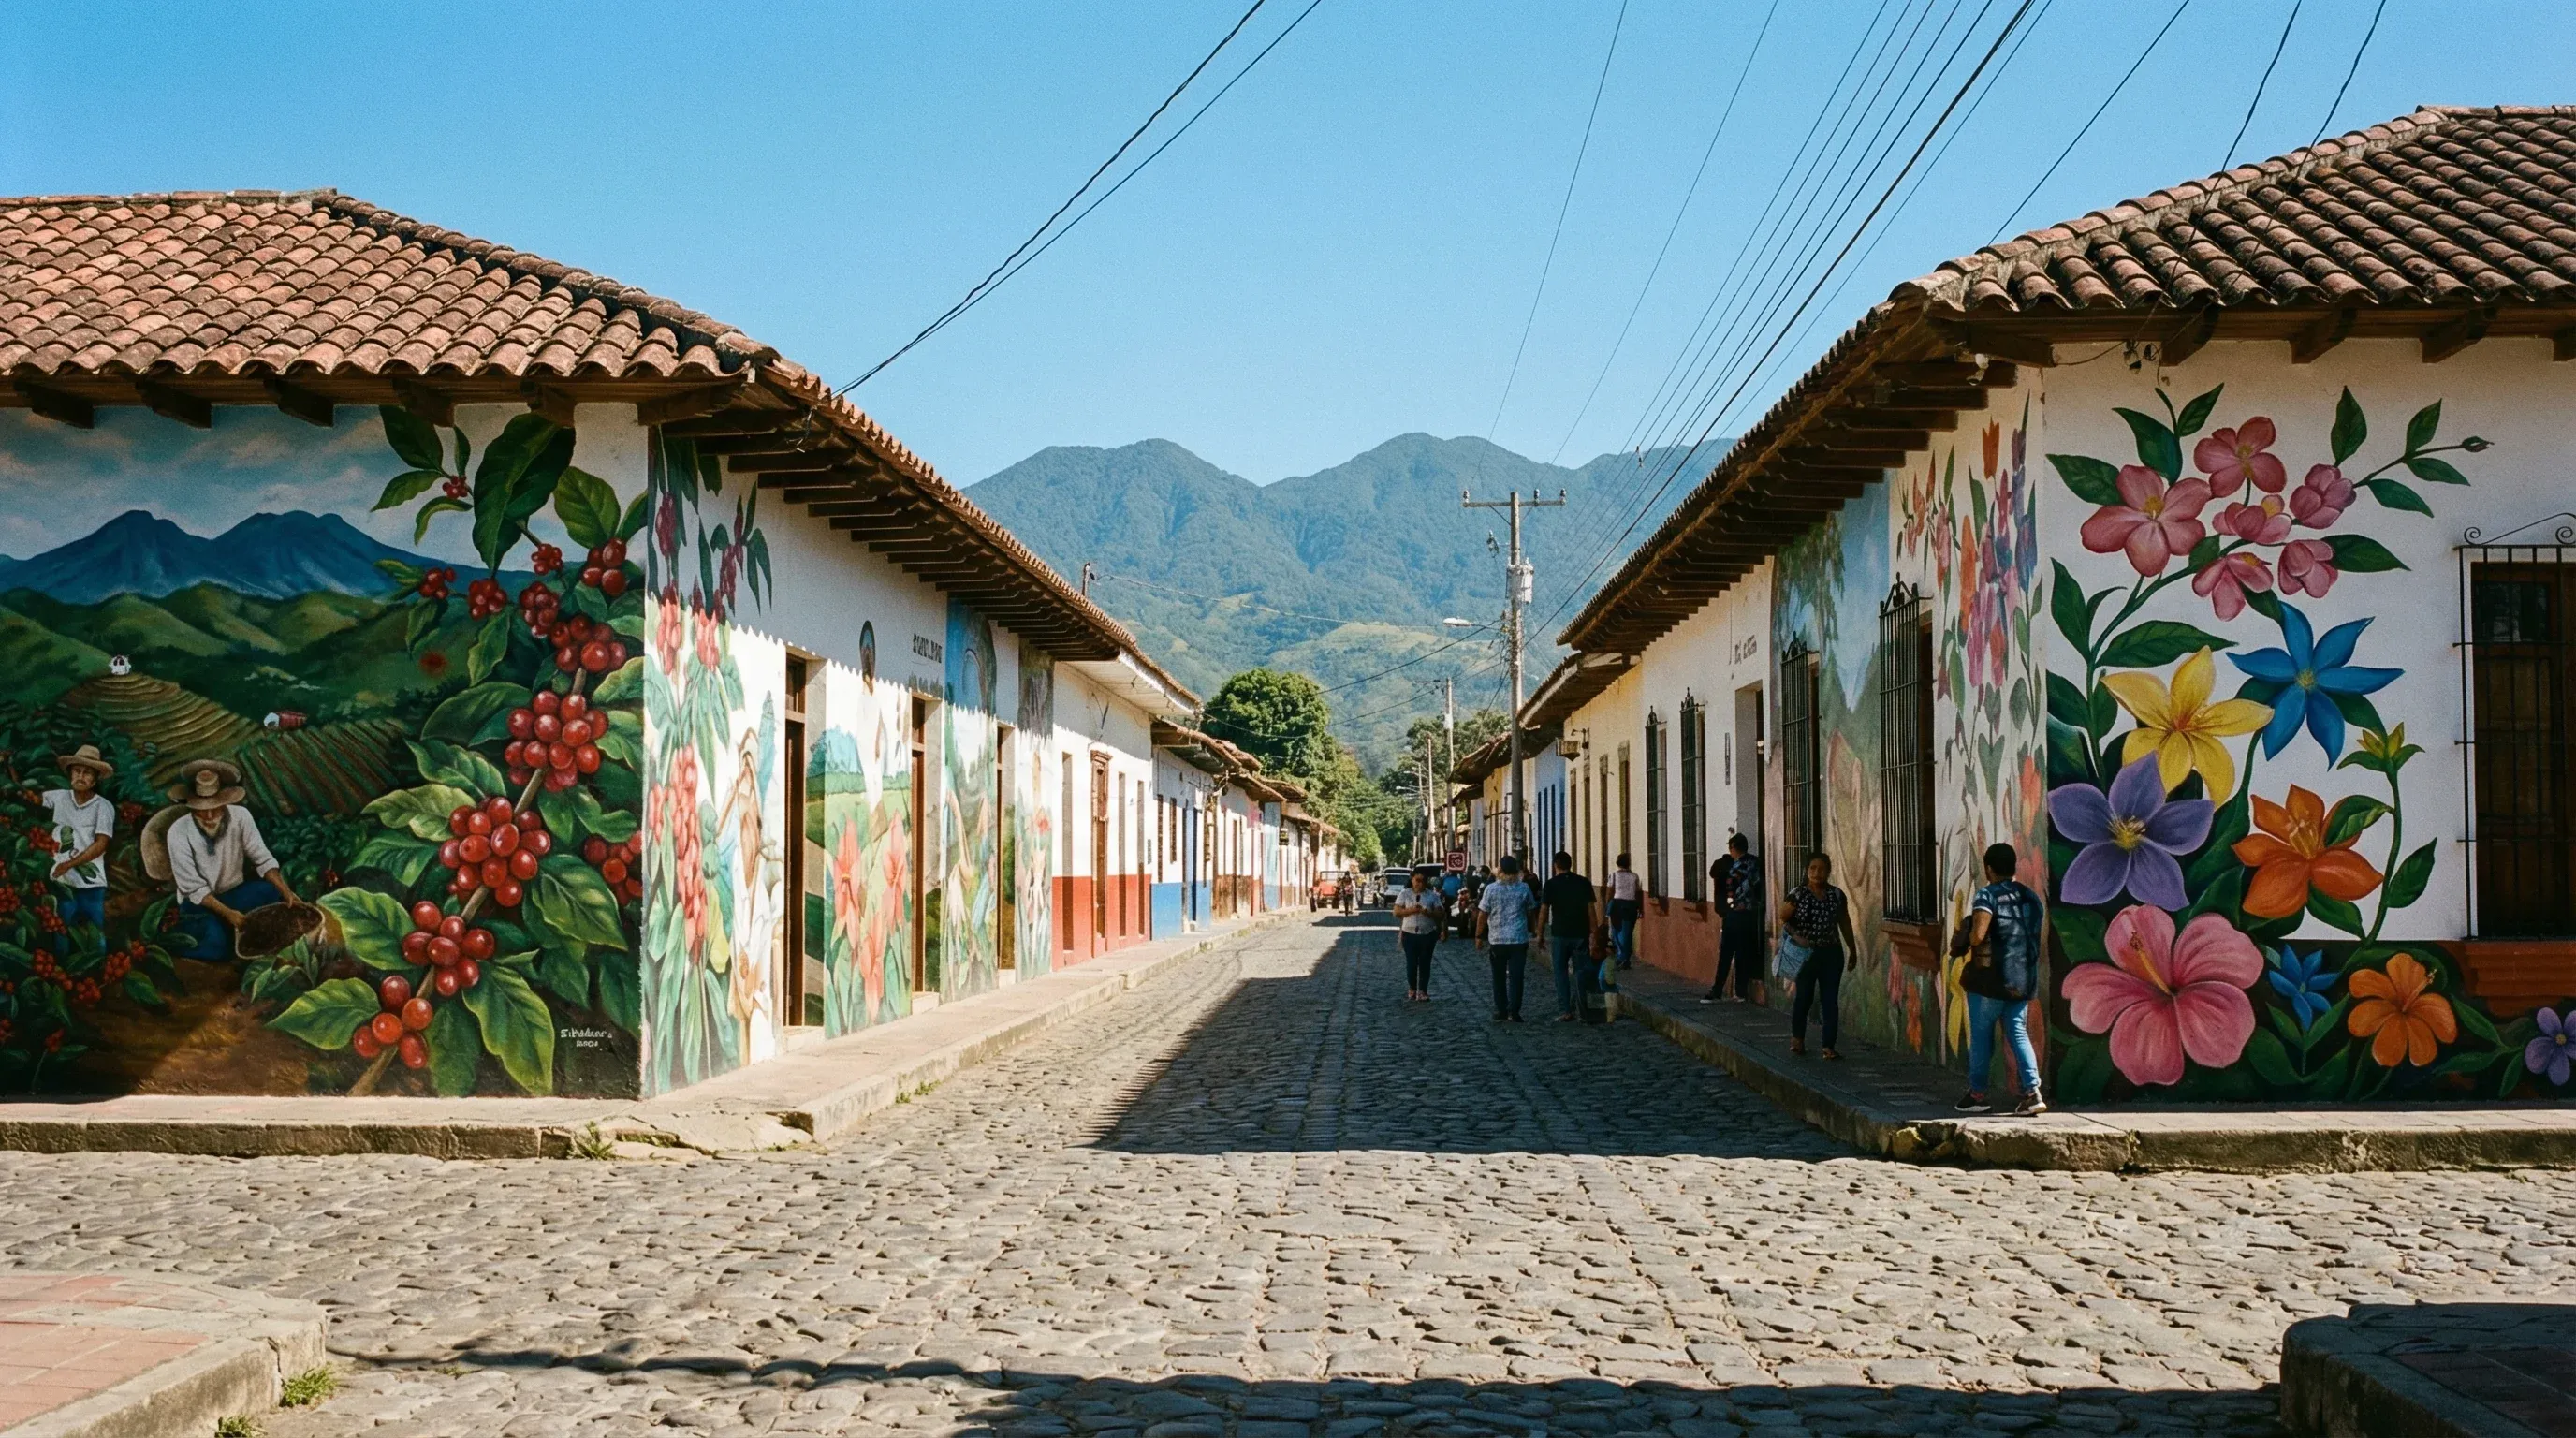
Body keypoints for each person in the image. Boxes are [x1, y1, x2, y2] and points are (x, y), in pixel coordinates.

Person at [152, 760, 298, 962]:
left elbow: (261, 857)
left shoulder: (241, 817)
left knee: (271, 892)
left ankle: (229, 929)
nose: (210, 816)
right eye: (202, 809)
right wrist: (229, 914)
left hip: (235, 893)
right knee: (217, 948)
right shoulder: (178, 832)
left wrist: (285, 890)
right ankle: (179, 938)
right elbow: (194, 888)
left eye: (216, 808)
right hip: (199, 904)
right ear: (191, 806)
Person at [1952, 843, 2049, 1115]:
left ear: (1989, 869)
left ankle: (1977, 1094)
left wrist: (1967, 930)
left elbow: (1978, 936)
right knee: (2018, 1033)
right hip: (2022, 980)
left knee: (1982, 1038)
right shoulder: (2032, 898)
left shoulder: (1988, 895)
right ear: (2014, 867)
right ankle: (2033, 1092)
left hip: (1989, 981)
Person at [1778, 851, 1856, 1058]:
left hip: (1831, 953)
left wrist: (1853, 950)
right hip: (1805, 955)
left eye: (1821, 869)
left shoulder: (1837, 895)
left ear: (1828, 872)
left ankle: (1828, 1046)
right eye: (1812, 868)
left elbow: (1845, 923)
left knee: (1829, 1000)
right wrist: (1797, 936)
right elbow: (1783, 918)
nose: (1816, 873)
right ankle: (1798, 1039)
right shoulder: (1798, 894)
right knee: (1804, 996)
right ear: (1806, 871)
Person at [44, 745, 117, 951]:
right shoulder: (58, 798)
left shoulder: (103, 807)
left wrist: (70, 864)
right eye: (77, 771)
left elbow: (101, 844)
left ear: (95, 779)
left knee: (95, 932)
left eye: (87, 773)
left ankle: (97, 973)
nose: (81, 777)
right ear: (71, 774)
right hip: (63, 882)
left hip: (91, 883)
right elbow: (27, 798)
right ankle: (62, 975)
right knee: (61, 930)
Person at [1701, 833, 1764, 1005]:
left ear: (1733, 848)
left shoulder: (1733, 867)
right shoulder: (1756, 863)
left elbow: (1722, 881)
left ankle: (1717, 989)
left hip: (1734, 913)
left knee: (1726, 953)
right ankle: (1740, 992)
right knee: (1743, 953)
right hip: (1751, 915)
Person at [1475, 855, 1539, 1022]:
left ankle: (1501, 1010)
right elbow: (1531, 911)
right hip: (1518, 939)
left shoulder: (1491, 889)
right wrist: (1534, 930)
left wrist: (1478, 935)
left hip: (1497, 940)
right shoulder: (1524, 888)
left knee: (1499, 976)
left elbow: (1483, 914)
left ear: (1500, 870)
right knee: (1517, 977)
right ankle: (1514, 1011)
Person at [1541, 851, 1603, 1022]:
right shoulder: (1583, 883)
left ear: (1555, 865)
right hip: (1580, 934)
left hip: (1560, 934)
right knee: (1580, 972)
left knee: (1560, 973)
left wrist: (1539, 934)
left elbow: (1544, 910)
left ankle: (1566, 1010)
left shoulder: (1551, 884)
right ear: (1571, 864)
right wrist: (1594, 934)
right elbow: (1591, 910)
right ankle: (1583, 1011)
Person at [1392, 867, 1446, 1002]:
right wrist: (1411, 910)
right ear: (1412, 880)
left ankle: (1423, 990)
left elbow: (1441, 914)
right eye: (1417, 880)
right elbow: (1396, 912)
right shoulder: (1404, 894)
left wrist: (1428, 912)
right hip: (1409, 933)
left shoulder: (1432, 896)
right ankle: (1412, 988)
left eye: (1422, 881)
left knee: (1425, 963)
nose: (1419, 884)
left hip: (1427, 934)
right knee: (1411, 963)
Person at [1605, 854, 1642, 973]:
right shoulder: (1634, 876)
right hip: (1630, 905)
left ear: (1617, 863)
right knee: (1627, 932)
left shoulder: (1614, 876)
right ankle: (1625, 958)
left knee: (1616, 931)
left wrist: (1607, 904)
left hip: (1617, 905)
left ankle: (1622, 957)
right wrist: (1640, 908)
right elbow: (1638, 893)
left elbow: (1610, 892)